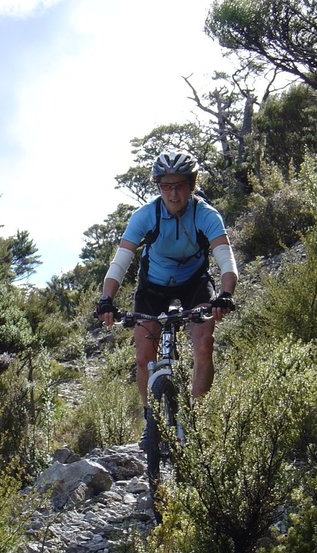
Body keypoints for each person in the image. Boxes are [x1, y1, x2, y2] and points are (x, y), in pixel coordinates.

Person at [95, 149, 238, 490]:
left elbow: (225, 257)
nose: (173, 194)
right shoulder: (145, 216)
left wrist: (226, 293)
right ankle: (150, 418)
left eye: (180, 186)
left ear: (191, 186)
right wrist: (106, 299)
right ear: (157, 187)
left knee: (204, 343)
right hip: (153, 286)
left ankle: (196, 418)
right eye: (165, 186)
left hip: (194, 283)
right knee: (144, 355)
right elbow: (121, 262)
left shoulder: (206, 215)